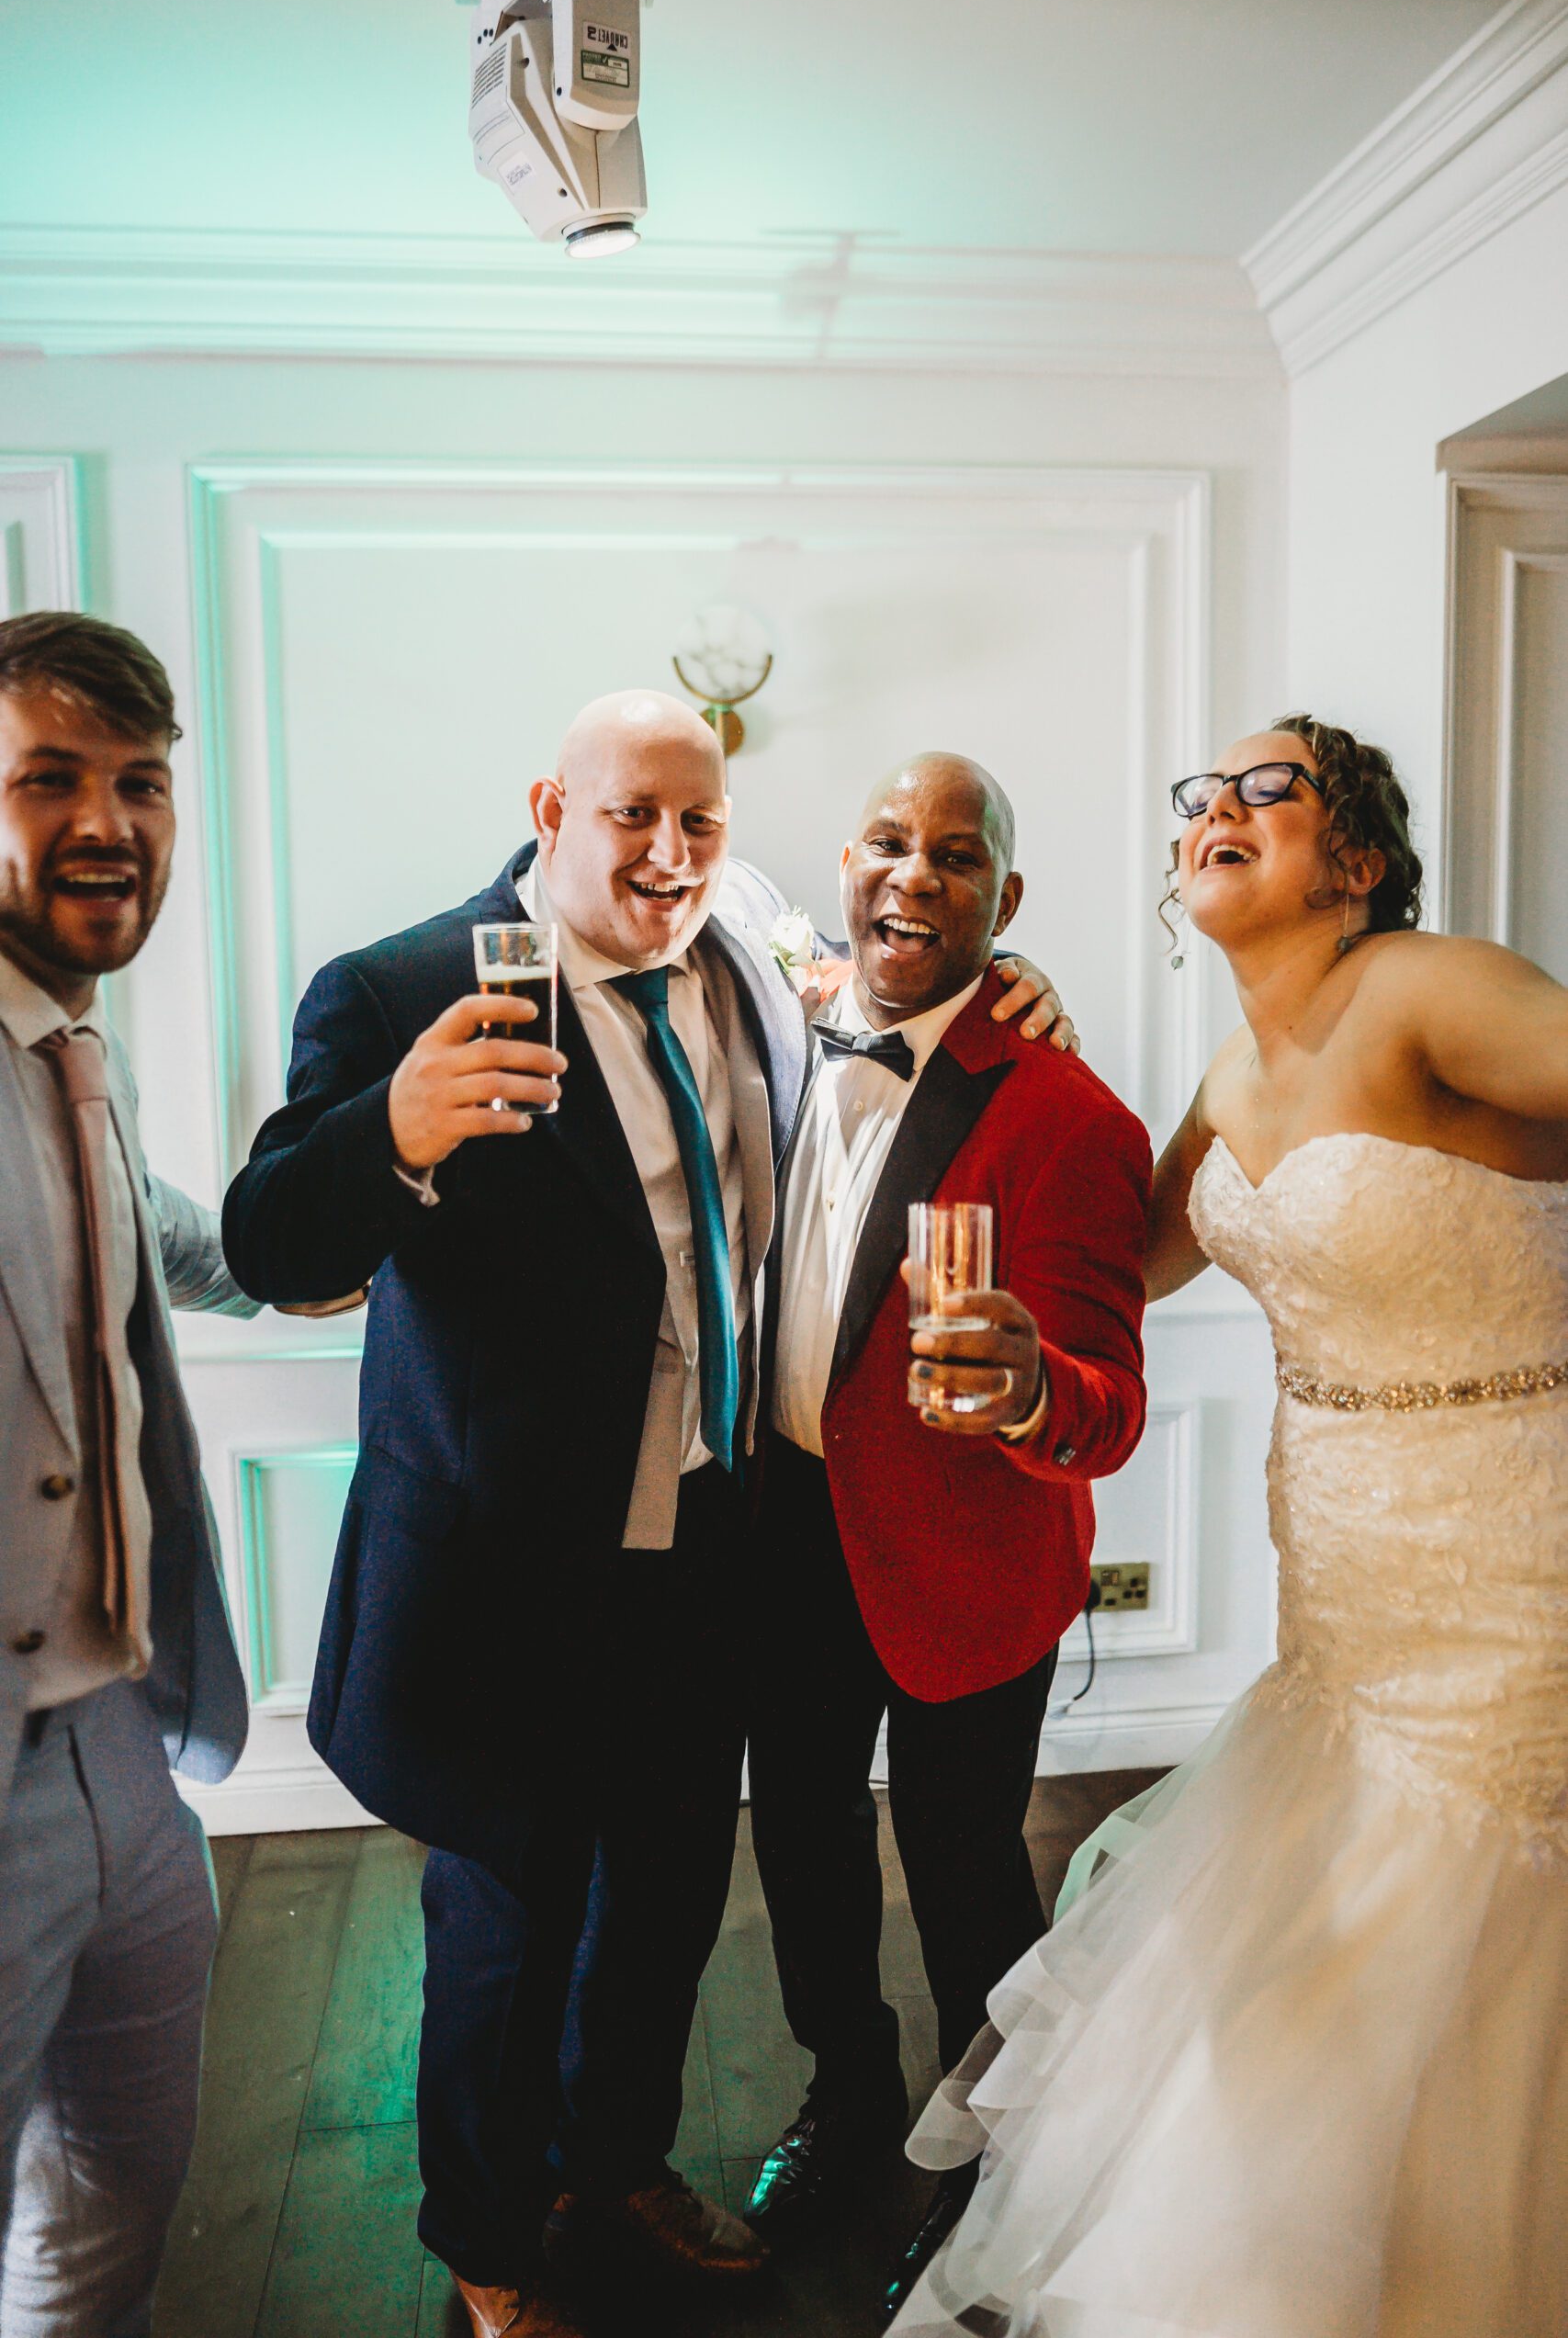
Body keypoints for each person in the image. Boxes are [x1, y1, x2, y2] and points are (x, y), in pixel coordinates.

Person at [220, 689, 1073, 2338]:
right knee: (503, 1933)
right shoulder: (402, 986)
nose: (671, 856)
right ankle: (485, 2239)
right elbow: (270, 1244)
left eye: (702, 823)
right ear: (553, 805)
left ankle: (613, 2160)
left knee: (670, 1900)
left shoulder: (741, 970)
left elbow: (879, 1034)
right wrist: (388, 1135)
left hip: (706, 1550)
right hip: (504, 1579)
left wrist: (1008, 992)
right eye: (634, 819)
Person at [894, 716, 1568, 2337]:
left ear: (1356, 860)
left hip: (1518, 1556)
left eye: (1273, 787)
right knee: (1342, 1917)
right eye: (1202, 793)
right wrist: (1027, 1073)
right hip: (1344, 1568)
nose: (1218, 809)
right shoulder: (1232, 1072)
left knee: (1468, 1925)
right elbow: (1121, 1261)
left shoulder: (1425, 986)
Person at [740, 753, 1151, 2324]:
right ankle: (847, 2099)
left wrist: (1038, 1386)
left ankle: (996, 2165)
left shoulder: (1068, 1115)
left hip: (972, 1569)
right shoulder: (776, 1032)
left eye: (958, 859)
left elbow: (1106, 1404)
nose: (917, 877)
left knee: (969, 1870)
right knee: (804, 1845)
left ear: (1006, 902)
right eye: (892, 846)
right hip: (786, 1540)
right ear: (846, 864)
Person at [0, 612, 257, 2336]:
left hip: (130, 1746)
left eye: (142, 784)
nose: (109, 822)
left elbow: (162, 1240)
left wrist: (371, 1216)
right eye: (47, 780)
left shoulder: (83, 1053)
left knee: (113, 2202)